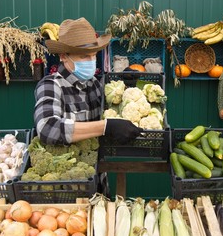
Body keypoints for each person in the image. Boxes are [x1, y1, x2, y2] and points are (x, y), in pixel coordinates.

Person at [34, 17, 143, 145]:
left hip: (95, 160)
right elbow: (47, 128)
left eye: (94, 55)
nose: (91, 61)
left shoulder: (94, 83)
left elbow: (115, 104)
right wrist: (105, 127)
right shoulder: (51, 85)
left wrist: (125, 82)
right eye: (85, 56)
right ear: (63, 56)